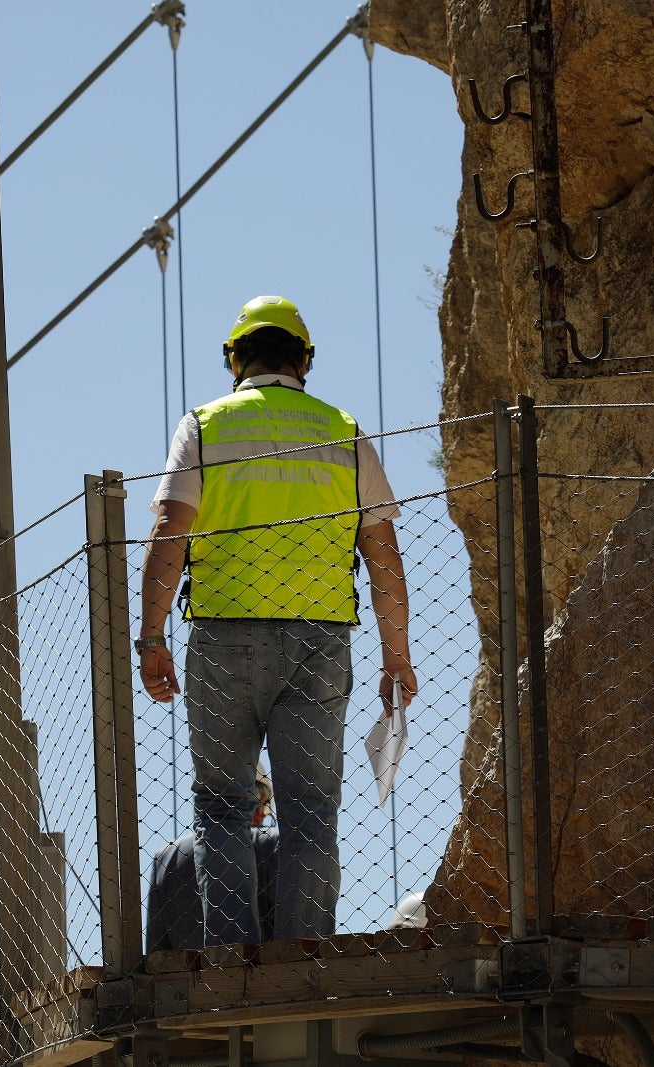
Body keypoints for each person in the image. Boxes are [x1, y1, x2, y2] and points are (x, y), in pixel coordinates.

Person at [136, 295, 418, 947]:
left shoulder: (205, 425)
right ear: (304, 360)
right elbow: (384, 555)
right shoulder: (343, 431)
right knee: (312, 813)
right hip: (319, 643)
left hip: (222, 635)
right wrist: (396, 656)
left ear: (235, 359)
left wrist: (151, 637)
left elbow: (168, 532)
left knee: (222, 809)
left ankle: (233, 956)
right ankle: (306, 955)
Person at [147, 765, 278, 953]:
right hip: (268, 978)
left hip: (193, 981)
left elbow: (156, 952)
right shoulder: (271, 844)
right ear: (259, 801)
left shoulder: (166, 858)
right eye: (265, 810)